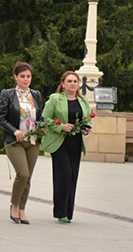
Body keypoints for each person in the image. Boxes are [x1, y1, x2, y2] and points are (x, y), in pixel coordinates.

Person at [40, 71, 92, 224]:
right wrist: (61, 127)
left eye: (75, 81)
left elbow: (87, 119)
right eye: (69, 81)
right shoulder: (55, 99)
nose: (72, 84)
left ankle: (68, 212)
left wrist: (86, 128)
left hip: (76, 143)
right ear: (63, 84)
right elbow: (45, 119)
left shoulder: (83, 101)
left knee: (73, 176)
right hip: (59, 142)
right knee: (64, 174)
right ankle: (60, 211)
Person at [0, 62, 43, 225]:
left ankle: (22, 208)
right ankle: (15, 205)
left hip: (33, 141)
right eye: (22, 76)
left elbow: (39, 117)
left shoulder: (36, 94)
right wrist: (14, 131)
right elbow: (0, 118)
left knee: (28, 177)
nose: (26, 79)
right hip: (15, 141)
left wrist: (42, 126)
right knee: (23, 174)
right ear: (15, 77)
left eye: (28, 76)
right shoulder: (8, 94)